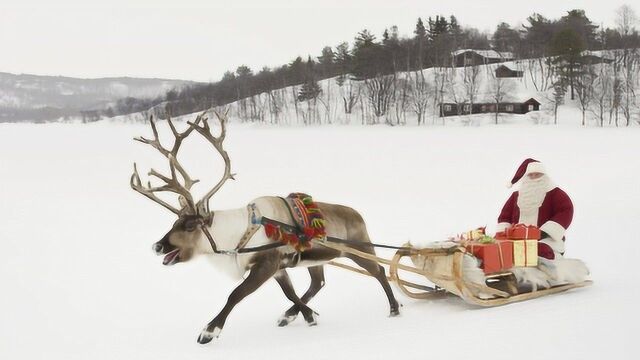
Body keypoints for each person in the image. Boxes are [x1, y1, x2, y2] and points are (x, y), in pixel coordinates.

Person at [497, 158, 574, 260]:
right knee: (498, 249)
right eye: (531, 175)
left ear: (544, 176)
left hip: (545, 239)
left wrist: (545, 232)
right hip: (517, 238)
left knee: (538, 251)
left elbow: (565, 210)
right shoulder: (516, 196)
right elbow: (504, 216)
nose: (534, 178)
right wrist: (503, 232)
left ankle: (555, 261)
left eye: (537, 175)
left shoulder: (555, 193)